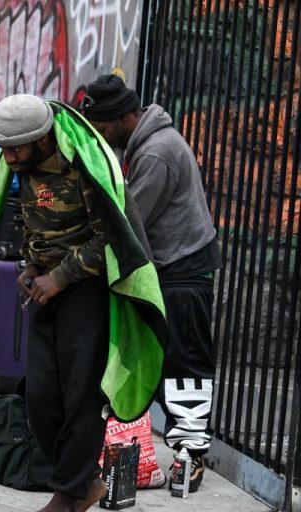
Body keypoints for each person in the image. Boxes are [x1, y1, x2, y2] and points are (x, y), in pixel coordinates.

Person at [83, 74, 221, 493]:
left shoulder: (158, 152)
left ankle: (191, 455)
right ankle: (179, 449)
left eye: (105, 128)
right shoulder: (144, 144)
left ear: (126, 117)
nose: (104, 137)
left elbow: (129, 221)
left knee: (185, 364)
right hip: (168, 270)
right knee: (165, 362)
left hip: (182, 271)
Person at [0, 94, 110, 512]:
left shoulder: (81, 168)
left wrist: (59, 277)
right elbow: (32, 222)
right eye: (4, 149)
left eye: (17, 148)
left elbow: (109, 238)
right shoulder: (20, 167)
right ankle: (84, 482)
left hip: (86, 290)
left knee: (81, 397)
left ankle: (68, 493)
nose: (9, 158)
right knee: (40, 396)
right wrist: (31, 264)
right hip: (44, 287)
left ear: (42, 139)